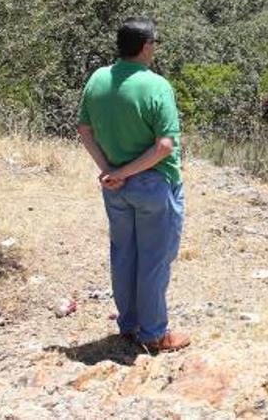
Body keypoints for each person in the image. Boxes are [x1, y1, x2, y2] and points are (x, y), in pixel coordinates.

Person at [76, 17, 190, 352]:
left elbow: (84, 130)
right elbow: (164, 146)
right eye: (155, 41)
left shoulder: (98, 78)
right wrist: (124, 172)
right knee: (154, 259)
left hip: (115, 188)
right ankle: (154, 334)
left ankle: (129, 326)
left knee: (124, 255)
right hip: (154, 184)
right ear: (144, 46)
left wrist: (110, 171)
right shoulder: (157, 86)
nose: (156, 47)